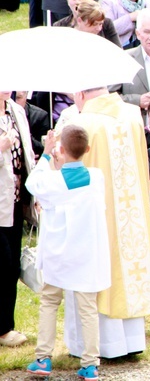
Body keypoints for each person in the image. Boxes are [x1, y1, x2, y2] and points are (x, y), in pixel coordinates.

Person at [60, 86, 150, 359]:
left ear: (80, 92)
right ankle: (130, 342)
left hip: (95, 213)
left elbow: (69, 171)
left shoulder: (80, 122)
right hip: (131, 212)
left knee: (95, 275)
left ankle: (93, 346)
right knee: (126, 271)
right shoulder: (132, 115)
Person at [25, 126, 110, 381]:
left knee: (50, 302)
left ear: (61, 150)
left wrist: (48, 154)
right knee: (88, 309)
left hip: (58, 254)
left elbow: (34, 184)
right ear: (88, 150)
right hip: (86, 254)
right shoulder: (96, 177)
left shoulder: (51, 181)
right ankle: (91, 363)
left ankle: (42, 358)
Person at [0, 91, 34, 348]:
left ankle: (5, 326)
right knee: (2, 261)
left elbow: (26, 154)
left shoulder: (16, 110)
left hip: (14, 200)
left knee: (11, 266)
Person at [53, 0, 121, 47]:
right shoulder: (59, 26)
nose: (78, 2)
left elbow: (118, 51)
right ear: (68, 0)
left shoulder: (106, 23)